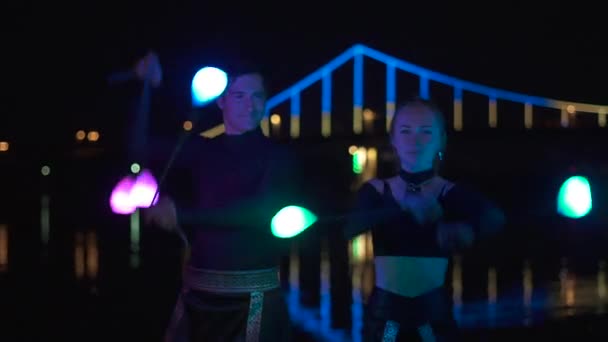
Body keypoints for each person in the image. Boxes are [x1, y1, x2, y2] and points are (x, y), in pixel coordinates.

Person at [127, 52, 306, 341]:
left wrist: (181, 214)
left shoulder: (278, 156)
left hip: (253, 299)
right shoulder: (203, 150)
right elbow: (138, 145)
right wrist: (146, 87)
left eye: (257, 96)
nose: (250, 105)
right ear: (221, 100)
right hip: (198, 297)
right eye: (239, 96)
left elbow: (258, 213)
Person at [342, 96, 506, 341]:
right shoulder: (376, 190)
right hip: (385, 317)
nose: (414, 140)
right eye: (405, 131)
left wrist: (467, 230)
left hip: (434, 314)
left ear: (441, 140)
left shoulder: (449, 192)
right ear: (393, 139)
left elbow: (494, 218)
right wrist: (403, 208)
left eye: (425, 132)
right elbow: (349, 228)